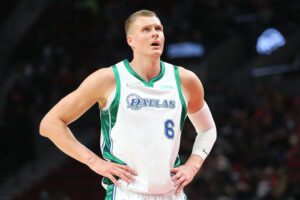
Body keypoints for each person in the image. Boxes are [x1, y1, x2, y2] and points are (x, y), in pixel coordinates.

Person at [40, 9, 217, 200]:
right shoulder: (109, 79)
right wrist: (94, 162)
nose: (155, 33)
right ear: (130, 40)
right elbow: (50, 124)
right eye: (146, 29)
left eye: (159, 28)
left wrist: (193, 165)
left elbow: (208, 129)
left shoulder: (185, 80)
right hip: (127, 193)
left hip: (172, 193)